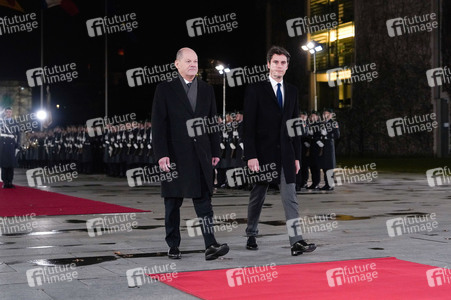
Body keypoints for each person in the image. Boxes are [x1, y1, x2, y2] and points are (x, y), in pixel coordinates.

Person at [151, 47, 229, 261]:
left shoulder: (206, 89)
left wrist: (215, 150)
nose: (193, 64)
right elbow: (159, 125)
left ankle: (210, 244)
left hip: (200, 155)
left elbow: (212, 122)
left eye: (195, 61)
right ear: (177, 64)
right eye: (188, 61)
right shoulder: (165, 89)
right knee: (172, 204)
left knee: (204, 201)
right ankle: (173, 245)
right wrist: (162, 154)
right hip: (174, 155)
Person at [243, 46, 316, 256]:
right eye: (276, 62)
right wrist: (251, 155)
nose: (279, 66)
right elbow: (248, 126)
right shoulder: (255, 89)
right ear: (268, 64)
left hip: (286, 154)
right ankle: (251, 233)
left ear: (287, 65)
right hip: (262, 154)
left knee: (290, 197)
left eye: (283, 63)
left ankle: (296, 241)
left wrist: (296, 156)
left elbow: (294, 126)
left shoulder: (292, 91)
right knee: (258, 196)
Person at [319, 108, 340, 190]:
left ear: (331, 115)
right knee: (324, 166)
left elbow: (337, 135)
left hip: (329, 146)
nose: (325, 115)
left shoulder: (333, 123)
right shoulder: (322, 123)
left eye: (327, 113)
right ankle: (326, 184)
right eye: (324, 113)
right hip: (322, 147)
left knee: (329, 166)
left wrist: (326, 135)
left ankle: (330, 184)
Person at [0, 107, 21, 188]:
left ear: (12, 113)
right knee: (4, 164)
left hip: (12, 145)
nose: (8, 113)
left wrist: (18, 145)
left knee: (11, 164)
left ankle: (10, 181)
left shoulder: (15, 123)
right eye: (7, 112)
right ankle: (5, 182)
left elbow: (19, 134)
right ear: (5, 113)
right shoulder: (1, 123)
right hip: (3, 145)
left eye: (10, 112)